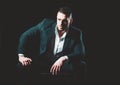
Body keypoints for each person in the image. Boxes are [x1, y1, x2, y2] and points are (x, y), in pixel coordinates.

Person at [16, 6, 87, 85]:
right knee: (22, 66)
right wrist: (21, 56)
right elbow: (26, 35)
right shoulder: (45, 24)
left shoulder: (76, 33)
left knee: (81, 65)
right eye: (59, 19)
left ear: (71, 21)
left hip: (62, 65)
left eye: (64, 21)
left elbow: (80, 53)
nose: (60, 23)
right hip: (43, 61)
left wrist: (63, 59)